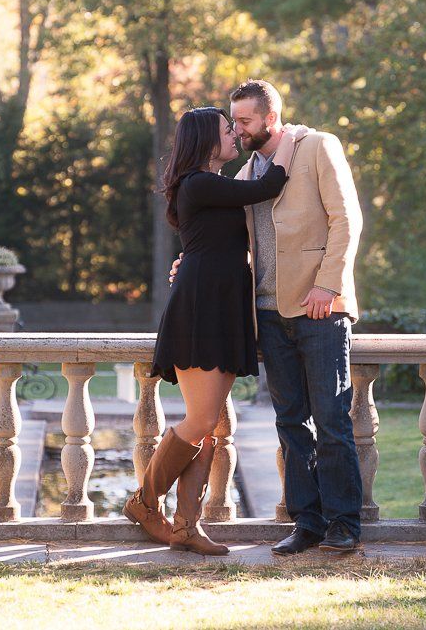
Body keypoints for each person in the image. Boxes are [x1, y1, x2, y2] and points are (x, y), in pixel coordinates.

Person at [170, 80, 364, 555]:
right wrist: (189, 261)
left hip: (319, 307)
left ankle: (344, 523)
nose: (236, 130)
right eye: (233, 122)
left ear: (270, 118)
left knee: (332, 420)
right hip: (268, 312)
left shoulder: (319, 146)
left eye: (244, 121)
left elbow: (347, 220)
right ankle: (307, 523)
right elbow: (226, 236)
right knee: (291, 422)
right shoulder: (247, 173)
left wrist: (328, 284)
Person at [123, 106, 307, 556]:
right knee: (202, 420)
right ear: (207, 141)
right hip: (201, 308)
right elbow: (267, 186)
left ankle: (187, 526)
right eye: (228, 130)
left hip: (222, 306)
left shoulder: (216, 184)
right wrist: (290, 138)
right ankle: (144, 503)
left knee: (210, 423)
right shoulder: (198, 183)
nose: (235, 136)